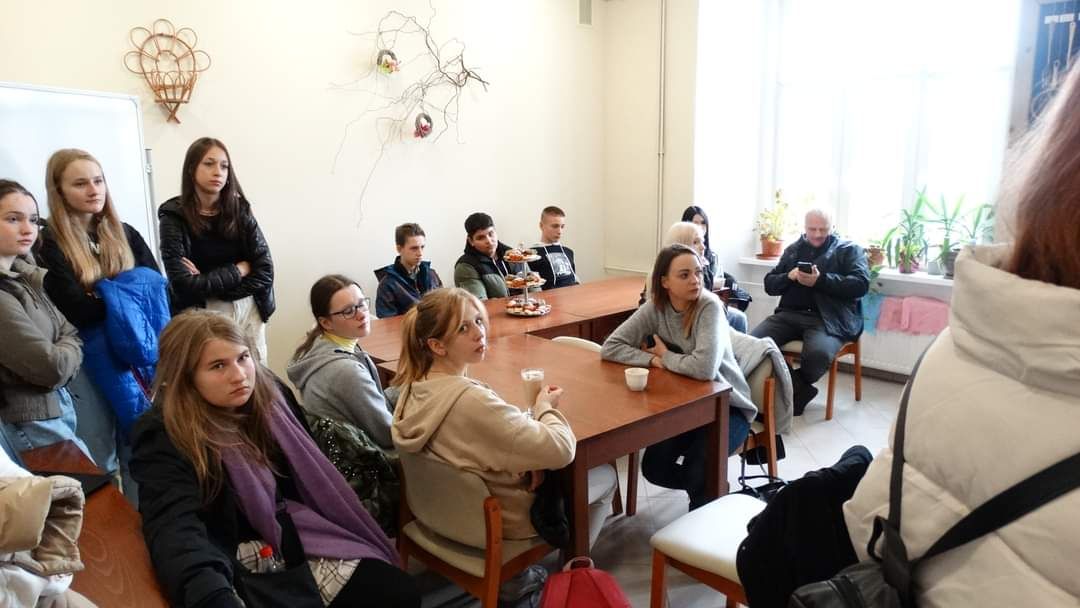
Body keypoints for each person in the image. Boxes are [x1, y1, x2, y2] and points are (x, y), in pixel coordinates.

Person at [842, 64, 1080, 607]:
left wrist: (817, 284)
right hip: (799, 316)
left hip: (830, 323)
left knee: (810, 350)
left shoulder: (947, 351)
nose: (810, 235)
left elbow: (864, 524)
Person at [131, 310, 418, 608]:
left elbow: (303, 478)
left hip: (292, 527)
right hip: (233, 551)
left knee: (395, 588)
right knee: (392, 594)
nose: (239, 375)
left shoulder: (270, 395)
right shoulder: (164, 432)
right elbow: (174, 526)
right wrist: (210, 595)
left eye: (243, 358)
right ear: (185, 377)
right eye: (218, 366)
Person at [391, 288, 617, 605]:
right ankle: (557, 573)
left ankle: (520, 578)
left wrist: (526, 458)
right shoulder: (471, 401)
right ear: (437, 345)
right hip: (498, 522)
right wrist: (544, 408)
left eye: (478, 321)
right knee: (605, 476)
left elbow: (473, 445)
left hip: (439, 513)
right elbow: (562, 449)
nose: (479, 333)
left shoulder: (412, 388)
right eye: (463, 328)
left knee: (542, 463)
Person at [37, 148, 168, 488]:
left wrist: (101, 293)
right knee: (100, 453)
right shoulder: (48, 243)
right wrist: (124, 294)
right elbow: (77, 309)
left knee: (141, 446)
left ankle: (145, 519)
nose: (94, 190)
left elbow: (155, 289)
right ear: (59, 190)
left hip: (137, 354)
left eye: (98, 181)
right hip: (87, 361)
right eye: (80, 183)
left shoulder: (125, 233)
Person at [602, 244, 755, 510]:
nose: (695, 280)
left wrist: (665, 355)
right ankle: (714, 489)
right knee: (654, 468)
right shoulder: (655, 308)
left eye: (698, 272)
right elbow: (611, 347)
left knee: (698, 467)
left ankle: (704, 513)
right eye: (684, 275)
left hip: (728, 406)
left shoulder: (709, 306)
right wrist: (653, 360)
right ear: (665, 282)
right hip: (686, 404)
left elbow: (704, 369)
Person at [159, 137, 275, 362]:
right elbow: (183, 284)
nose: (218, 172)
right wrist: (239, 270)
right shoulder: (173, 216)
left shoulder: (239, 209)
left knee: (259, 374)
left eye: (224, 166)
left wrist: (209, 284)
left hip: (249, 306)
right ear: (192, 169)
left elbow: (265, 271)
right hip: (204, 311)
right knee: (218, 373)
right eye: (209, 164)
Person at [0, 180, 90, 459]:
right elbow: (51, 367)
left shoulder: (27, 276)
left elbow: (70, 331)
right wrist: (67, 348)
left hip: (54, 408)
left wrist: (65, 346)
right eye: (13, 219)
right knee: (91, 488)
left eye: (33, 219)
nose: (28, 229)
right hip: (29, 420)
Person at [751, 208, 869, 415]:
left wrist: (820, 280)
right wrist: (789, 276)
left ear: (832, 227)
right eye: (812, 229)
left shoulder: (849, 250)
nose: (817, 234)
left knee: (818, 355)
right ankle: (796, 391)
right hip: (788, 315)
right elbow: (770, 284)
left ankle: (790, 390)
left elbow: (861, 285)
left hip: (828, 319)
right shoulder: (793, 250)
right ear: (804, 228)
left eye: (823, 229)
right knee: (753, 345)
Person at [288, 275, 395, 450]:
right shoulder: (345, 371)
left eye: (361, 304)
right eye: (348, 311)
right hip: (372, 458)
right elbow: (388, 435)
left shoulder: (318, 345)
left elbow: (376, 400)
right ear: (326, 322)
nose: (361, 314)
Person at [681, 205, 752, 312]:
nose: (700, 227)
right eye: (695, 223)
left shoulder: (709, 252)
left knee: (738, 294)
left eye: (703, 223)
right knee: (737, 315)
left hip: (711, 293)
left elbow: (717, 273)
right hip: (697, 299)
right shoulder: (682, 254)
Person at [374, 222, 443, 318]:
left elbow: (445, 307)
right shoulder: (387, 285)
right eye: (414, 248)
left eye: (422, 247)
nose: (420, 253)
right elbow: (387, 322)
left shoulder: (432, 275)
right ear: (399, 249)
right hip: (407, 327)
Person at [453, 212, 515, 300]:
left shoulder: (513, 254)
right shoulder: (466, 266)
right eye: (481, 238)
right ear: (471, 241)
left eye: (491, 234)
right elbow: (480, 303)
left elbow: (532, 287)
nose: (488, 241)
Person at [531, 205, 579, 290]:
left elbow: (575, 279)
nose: (559, 231)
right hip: (549, 297)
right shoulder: (532, 255)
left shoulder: (568, 252)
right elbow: (533, 288)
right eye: (555, 226)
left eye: (562, 226)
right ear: (541, 226)